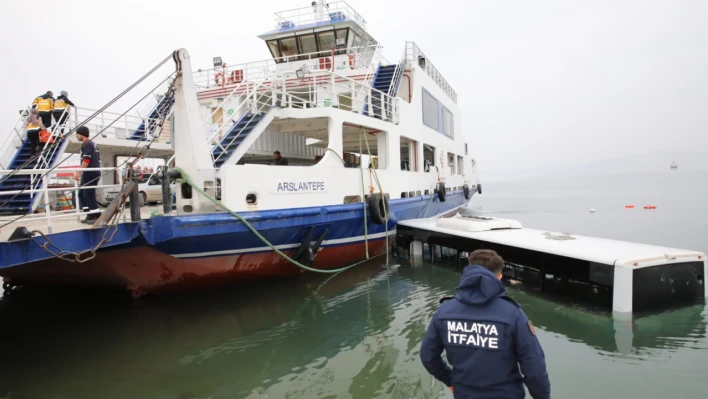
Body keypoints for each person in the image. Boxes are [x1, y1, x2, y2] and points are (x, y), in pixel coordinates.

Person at [420, 249, 550, 399]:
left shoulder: (444, 312)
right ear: (499, 277)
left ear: (467, 271)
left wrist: (450, 380)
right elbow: (534, 368)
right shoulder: (513, 314)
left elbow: (428, 356)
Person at [74, 126, 101, 223]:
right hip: (91, 172)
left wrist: (78, 172)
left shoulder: (86, 144)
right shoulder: (92, 144)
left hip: (91, 172)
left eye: (77, 134)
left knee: (88, 193)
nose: (76, 136)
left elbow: (86, 159)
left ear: (81, 134)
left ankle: (96, 216)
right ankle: (89, 214)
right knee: (81, 194)